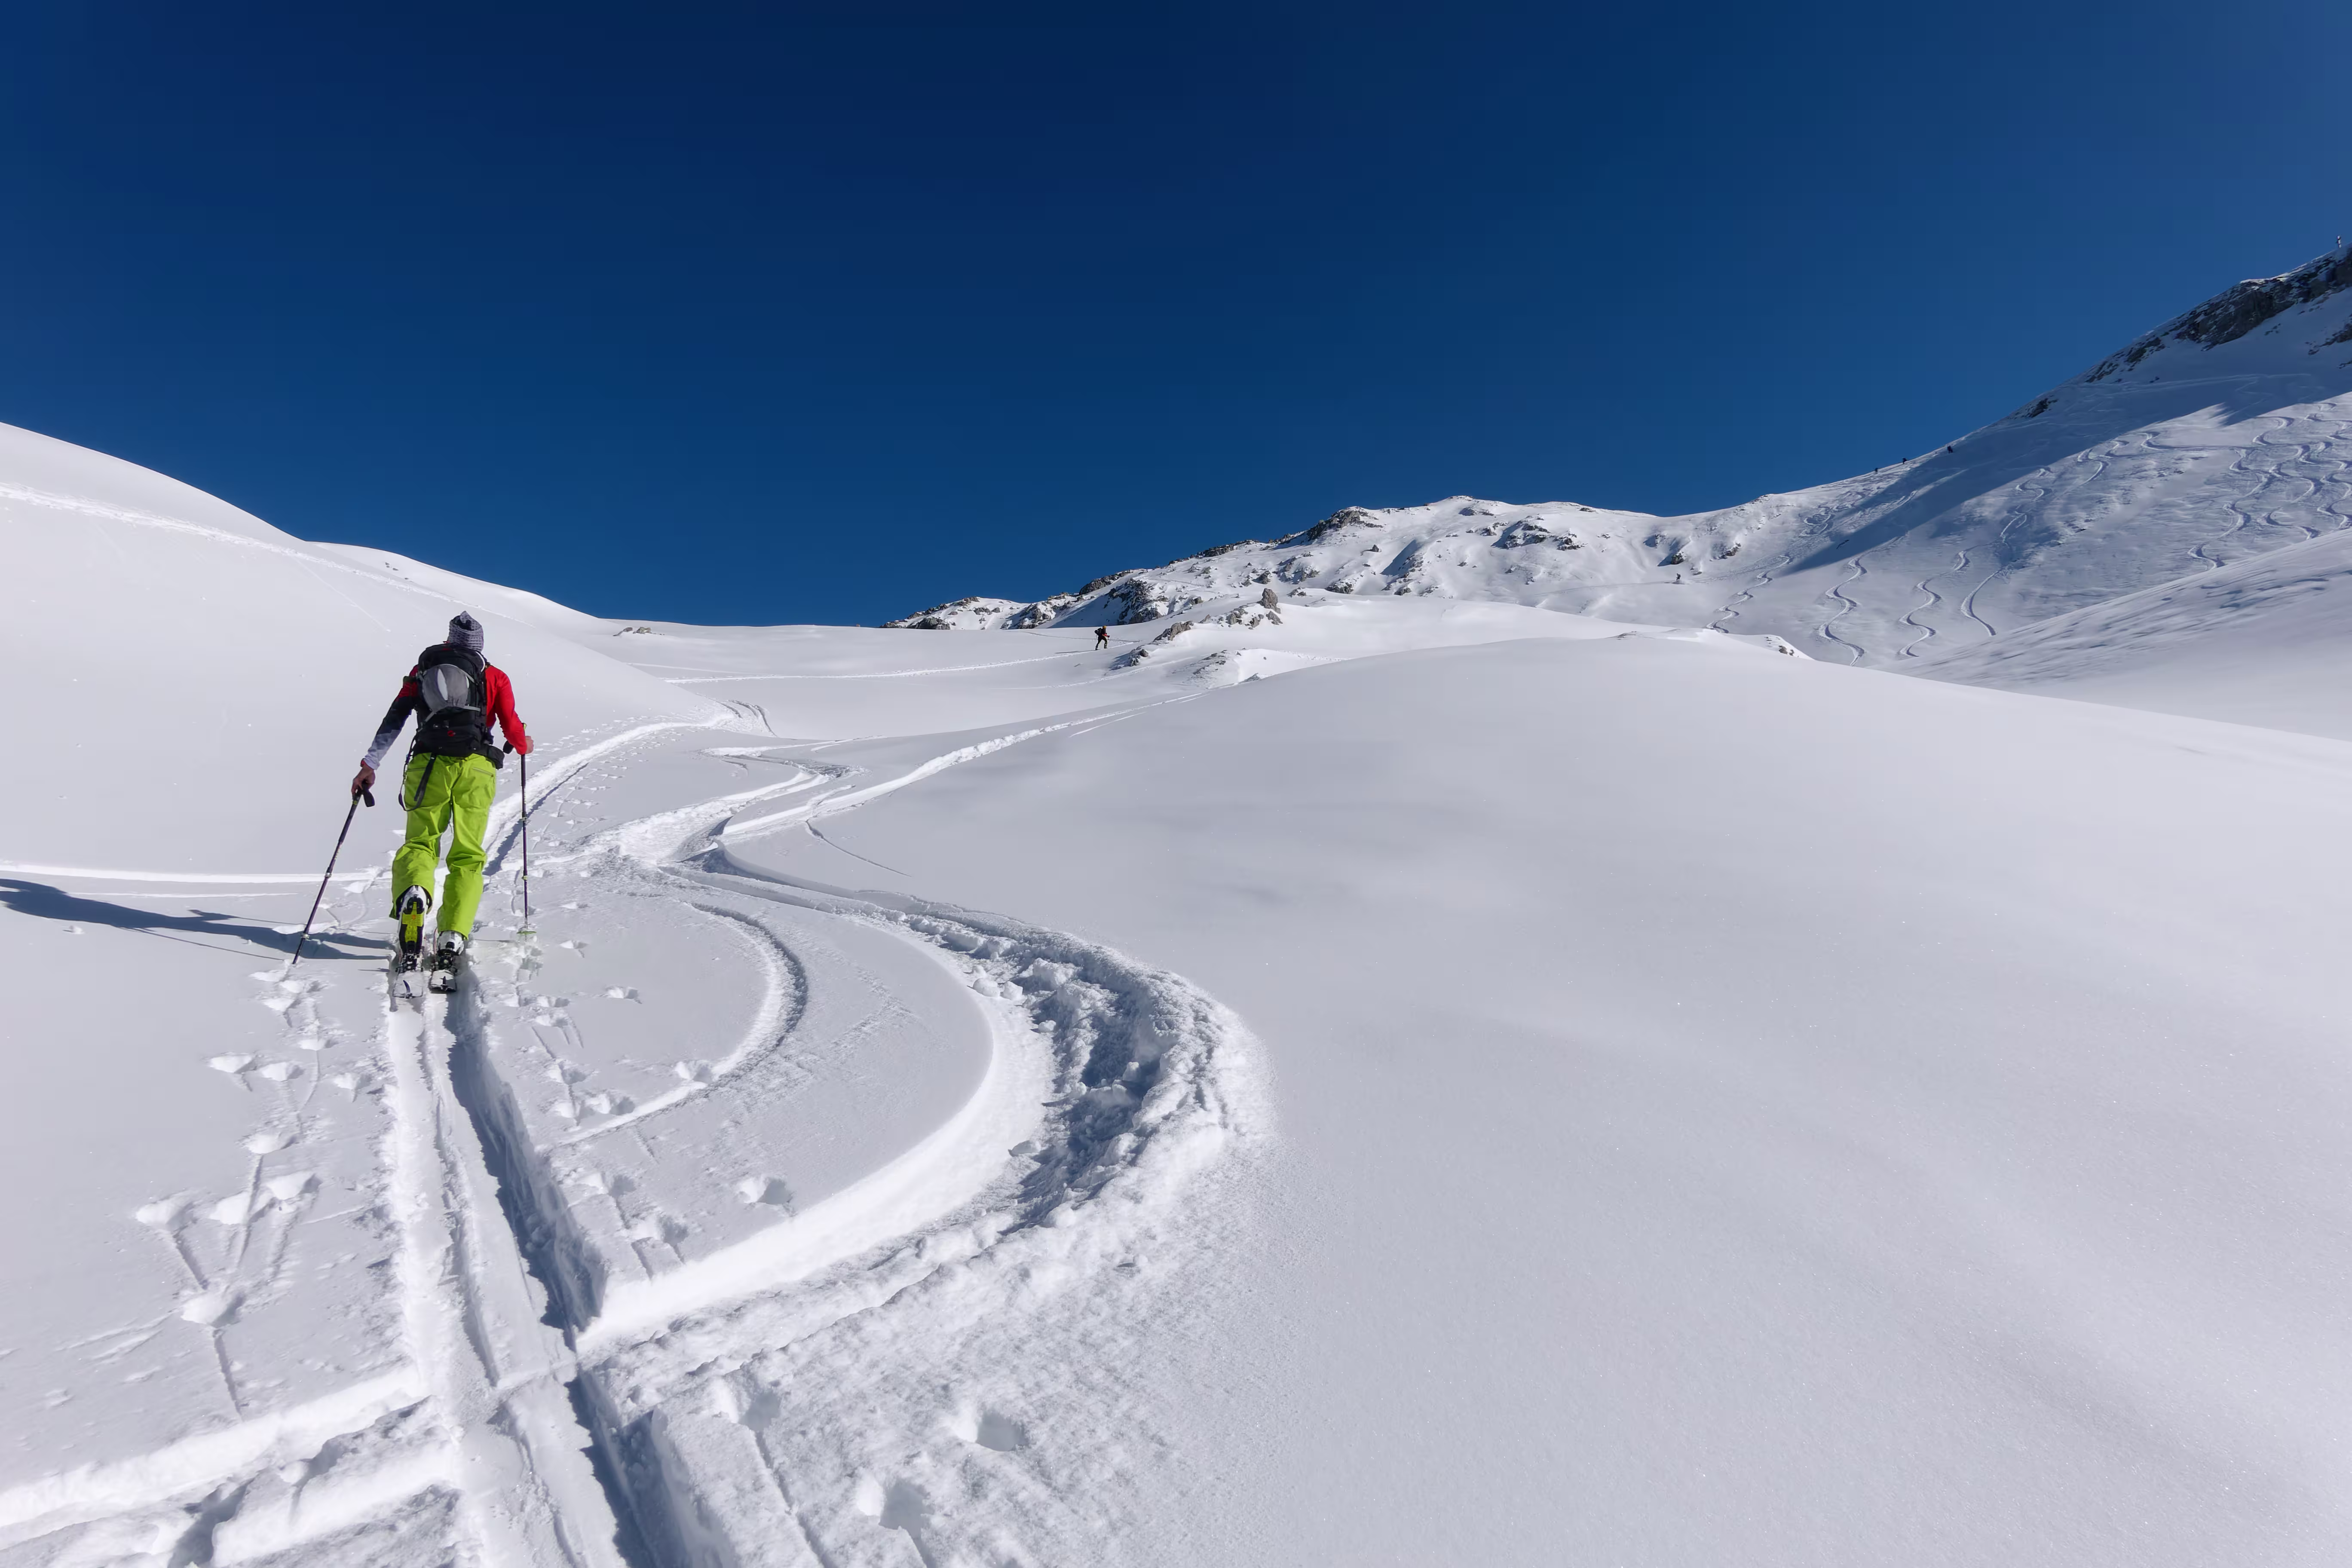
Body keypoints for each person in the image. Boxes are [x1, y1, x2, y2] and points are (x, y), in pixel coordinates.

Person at [349, 613, 531, 974]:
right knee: (467, 853)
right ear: (479, 643)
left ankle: (415, 893)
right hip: (476, 768)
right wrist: (522, 743)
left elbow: (395, 718)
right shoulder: (495, 676)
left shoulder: (421, 671)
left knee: (420, 842)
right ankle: (452, 935)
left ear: (449, 639)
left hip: (428, 764)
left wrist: (370, 765)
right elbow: (511, 726)